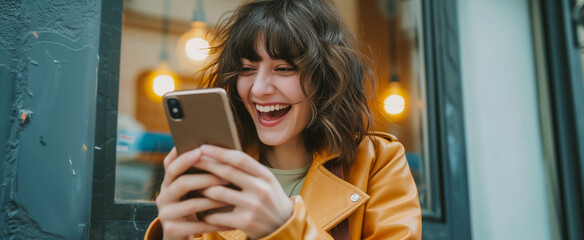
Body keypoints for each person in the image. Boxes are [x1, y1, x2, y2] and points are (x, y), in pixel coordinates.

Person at [145, 0, 421, 239]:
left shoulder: (378, 163)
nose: (259, 89)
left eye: (284, 69)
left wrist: (284, 226)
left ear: (324, 77)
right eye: (247, 69)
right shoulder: (217, 167)